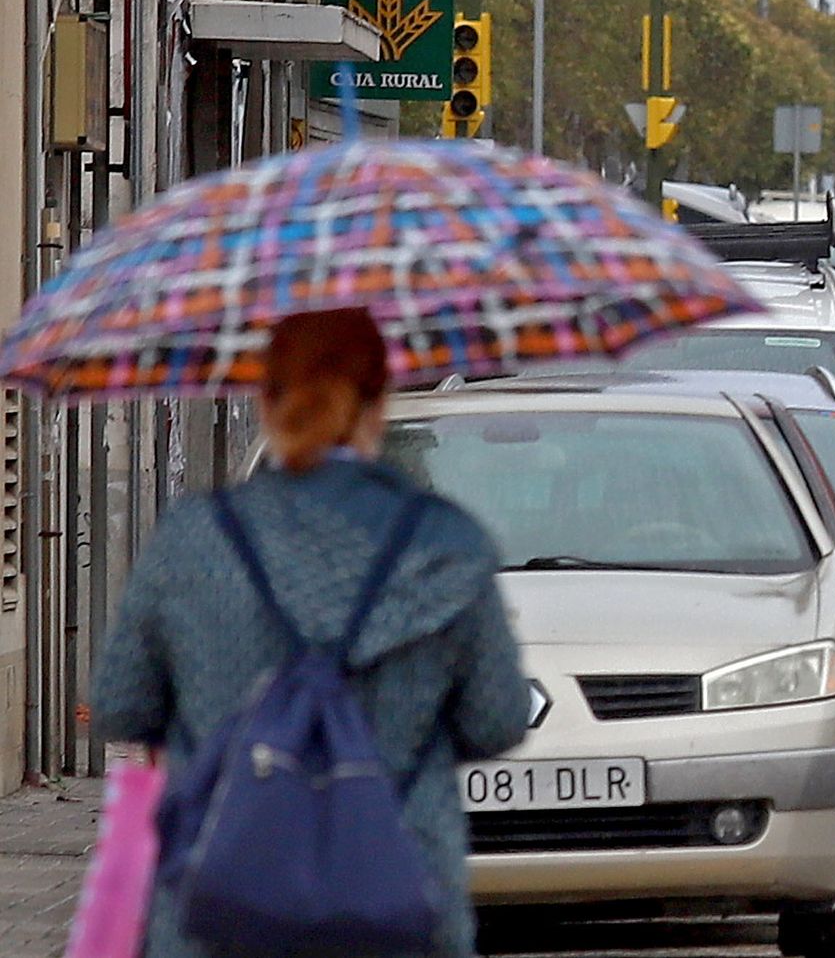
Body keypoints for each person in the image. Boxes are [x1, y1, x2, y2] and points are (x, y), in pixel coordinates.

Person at [90, 308, 528, 958]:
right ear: (377, 403)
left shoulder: (194, 540)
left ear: (267, 400)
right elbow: (498, 719)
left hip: (217, 908)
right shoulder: (445, 543)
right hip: (403, 902)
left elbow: (121, 705)